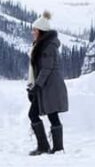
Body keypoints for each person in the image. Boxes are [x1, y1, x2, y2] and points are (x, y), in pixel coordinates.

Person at [27, 11, 68, 155]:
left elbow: (46, 68)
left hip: (50, 86)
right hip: (45, 86)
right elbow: (36, 69)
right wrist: (32, 86)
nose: (32, 32)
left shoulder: (48, 46)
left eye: (35, 30)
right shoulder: (40, 45)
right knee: (41, 114)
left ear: (41, 31)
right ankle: (47, 147)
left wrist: (37, 86)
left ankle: (54, 148)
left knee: (49, 115)